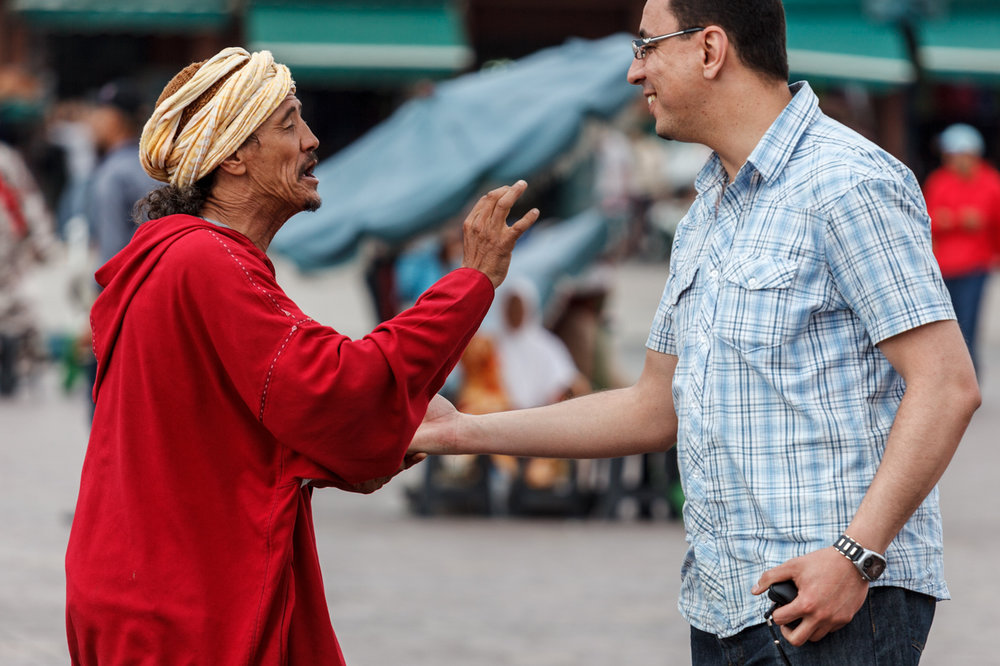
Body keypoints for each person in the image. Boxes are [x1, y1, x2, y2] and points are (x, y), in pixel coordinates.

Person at [411, 1, 980, 663]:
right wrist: (463, 432)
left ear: (711, 50)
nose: (633, 72)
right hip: (724, 612)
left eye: (647, 47)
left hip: (832, 610)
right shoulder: (708, 209)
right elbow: (655, 406)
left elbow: (945, 385)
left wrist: (854, 558)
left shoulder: (849, 183)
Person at [64, 47, 538, 665]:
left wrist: (353, 448)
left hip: (143, 591)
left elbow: (247, 424)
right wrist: (470, 282)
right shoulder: (206, 260)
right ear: (233, 156)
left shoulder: (177, 259)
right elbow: (340, 389)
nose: (311, 140)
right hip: (178, 610)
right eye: (289, 124)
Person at [923, 123, 1000, 369]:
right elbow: (928, 219)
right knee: (943, 329)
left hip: (975, 268)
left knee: (967, 328)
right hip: (942, 267)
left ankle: (967, 382)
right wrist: (960, 220)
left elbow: (993, 223)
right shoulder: (940, 180)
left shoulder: (990, 182)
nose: (951, 160)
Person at [0, 138, 55, 397]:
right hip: (10, 243)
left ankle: (17, 367)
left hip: (9, 246)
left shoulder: (5, 157)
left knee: (16, 307)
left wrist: (42, 240)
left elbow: (26, 198)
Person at [86, 79, 159, 265]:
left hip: (127, 281)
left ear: (116, 119)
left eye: (100, 114)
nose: (93, 122)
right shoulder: (154, 164)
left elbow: (112, 247)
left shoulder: (114, 173)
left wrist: (102, 291)